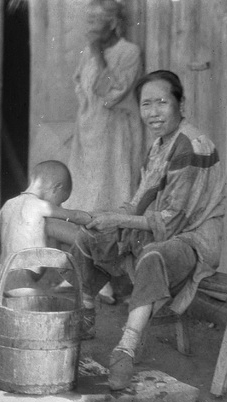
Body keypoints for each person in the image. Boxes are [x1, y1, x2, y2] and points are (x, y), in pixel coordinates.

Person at [71, 70, 226, 389]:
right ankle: (86, 314)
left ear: (181, 103)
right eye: (146, 105)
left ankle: (126, 348)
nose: (153, 113)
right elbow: (140, 201)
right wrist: (106, 218)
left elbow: (171, 220)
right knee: (89, 236)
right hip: (165, 230)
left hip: (194, 238)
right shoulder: (159, 145)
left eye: (161, 103)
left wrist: (119, 221)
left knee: (153, 255)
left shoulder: (191, 145)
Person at [63, 0, 144, 305]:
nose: (90, 28)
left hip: (114, 137)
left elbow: (107, 93)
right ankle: (90, 276)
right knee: (86, 202)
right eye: (89, 21)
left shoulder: (128, 53)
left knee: (108, 202)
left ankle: (105, 279)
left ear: (112, 23)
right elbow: (80, 86)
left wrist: (97, 54)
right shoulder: (89, 51)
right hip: (89, 131)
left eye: (97, 22)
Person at [0, 160, 92, 283]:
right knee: (47, 302)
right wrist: (95, 219)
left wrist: (0, 266)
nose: (60, 205)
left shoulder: (9, 203)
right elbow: (74, 215)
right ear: (56, 188)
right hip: (25, 279)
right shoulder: (41, 206)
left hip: (5, 277)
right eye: (60, 201)